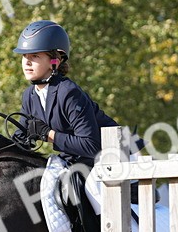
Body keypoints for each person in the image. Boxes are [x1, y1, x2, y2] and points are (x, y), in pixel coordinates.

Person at [14, 20, 118, 166]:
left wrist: (49, 135)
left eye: (35, 56)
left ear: (54, 61)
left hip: (114, 158)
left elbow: (91, 145)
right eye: (25, 56)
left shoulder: (68, 92)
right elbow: (19, 140)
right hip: (80, 160)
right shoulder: (29, 95)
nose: (27, 62)